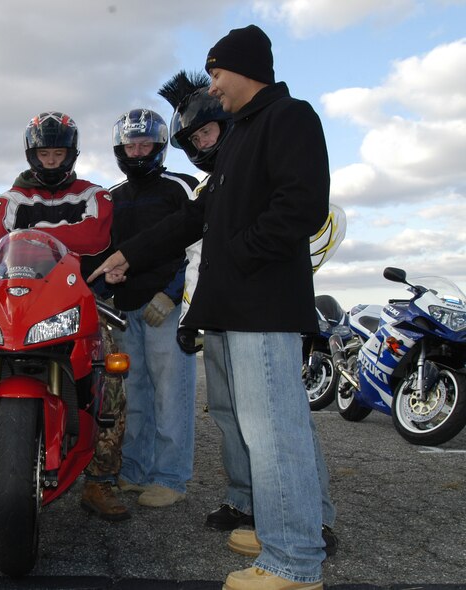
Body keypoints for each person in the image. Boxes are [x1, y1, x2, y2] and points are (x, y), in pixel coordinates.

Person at [91, 25, 331, 589]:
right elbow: (194, 220)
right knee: (266, 430)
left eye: (217, 74)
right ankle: (287, 528)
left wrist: (236, 256)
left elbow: (301, 206)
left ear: (246, 68)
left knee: (275, 434)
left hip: (263, 306)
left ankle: (294, 562)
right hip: (239, 308)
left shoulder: (289, 117)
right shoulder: (241, 137)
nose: (213, 87)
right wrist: (126, 253)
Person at [162, 69, 339, 552]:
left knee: (280, 420)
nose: (201, 142)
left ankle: (311, 518)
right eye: (193, 138)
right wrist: (188, 319)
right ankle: (248, 500)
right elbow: (196, 259)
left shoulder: (266, 151)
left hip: (260, 311)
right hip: (216, 313)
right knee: (230, 412)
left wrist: (247, 261)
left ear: (227, 120)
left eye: (206, 130)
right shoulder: (212, 187)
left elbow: (306, 220)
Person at [0, 111, 129, 522]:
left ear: (70, 153)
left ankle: (100, 482)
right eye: (43, 153)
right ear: (31, 154)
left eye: (58, 152)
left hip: (78, 300)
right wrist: (56, 231)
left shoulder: (95, 194)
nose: (51, 160)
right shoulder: (11, 198)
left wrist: (38, 229)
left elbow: (97, 238)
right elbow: (2, 248)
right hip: (19, 302)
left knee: (109, 379)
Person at [106, 108, 198, 507]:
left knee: (171, 394)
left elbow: (198, 249)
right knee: (134, 395)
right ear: (120, 148)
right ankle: (134, 469)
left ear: (160, 147)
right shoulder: (111, 197)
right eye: (131, 144)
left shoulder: (182, 187)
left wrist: (173, 294)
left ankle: (170, 477)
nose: (138, 151)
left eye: (146, 144)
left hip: (165, 307)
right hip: (125, 310)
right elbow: (103, 252)